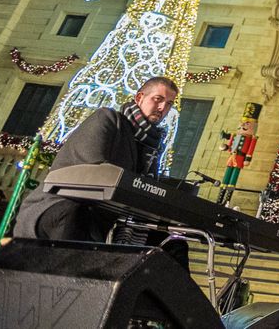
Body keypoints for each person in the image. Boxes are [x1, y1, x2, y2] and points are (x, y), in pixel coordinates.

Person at [14, 76, 179, 248]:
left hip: (107, 218)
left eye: (168, 104)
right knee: (77, 216)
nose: (162, 108)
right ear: (139, 98)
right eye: (158, 99)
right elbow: (92, 170)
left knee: (170, 242)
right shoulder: (107, 119)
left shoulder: (152, 146)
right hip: (59, 206)